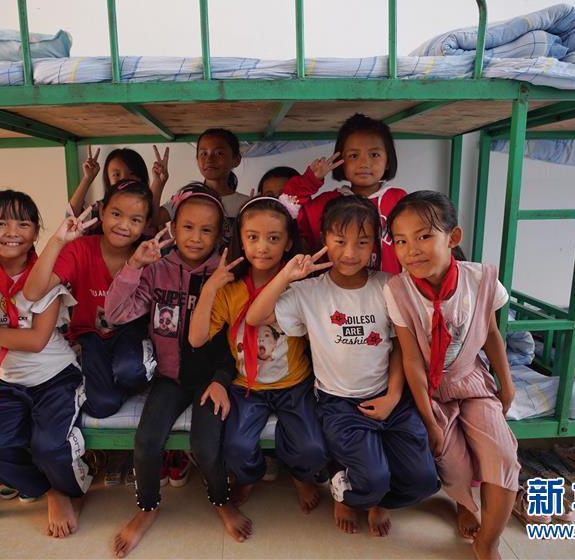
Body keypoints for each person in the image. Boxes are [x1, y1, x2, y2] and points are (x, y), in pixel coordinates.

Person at [246, 195, 439, 537]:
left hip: (389, 397)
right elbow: (255, 317)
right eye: (339, 241)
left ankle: (378, 499)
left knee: (424, 480)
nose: (350, 253)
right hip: (339, 403)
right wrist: (287, 274)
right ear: (324, 240)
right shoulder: (309, 292)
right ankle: (347, 492)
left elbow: (399, 346)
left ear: (375, 244)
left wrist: (393, 396)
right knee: (373, 478)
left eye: (362, 242)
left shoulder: (389, 285)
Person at [105, 183, 251, 558]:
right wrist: (134, 266)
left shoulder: (226, 272)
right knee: (146, 441)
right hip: (169, 378)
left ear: (220, 234)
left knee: (205, 445)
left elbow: (234, 339)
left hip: (211, 379)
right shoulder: (158, 269)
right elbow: (116, 314)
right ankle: (147, 508)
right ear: (172, 228)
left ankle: (221, 500)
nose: (196, 237)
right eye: (187, 227)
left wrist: (221, 380)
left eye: (206, 230)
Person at [384, 190, 519, 560]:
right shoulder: (397, 290)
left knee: (503, 455)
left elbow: (491, 335)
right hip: (429, 388)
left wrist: (506, 384)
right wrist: (429, 419)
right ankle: (465, 502)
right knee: (452, 462)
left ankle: (488, 542)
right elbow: (412, 360)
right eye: (400, 241)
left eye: (424, 236)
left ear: (453, 237)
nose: (411, 250)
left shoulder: (481, 280)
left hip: (471, 381)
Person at [0, 190, 92, 538]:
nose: (11, 232)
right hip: (8, 383)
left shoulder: (45, 275)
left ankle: (69, 489)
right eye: (0, 223)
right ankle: (49, 490)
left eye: (23, 224)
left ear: (35, 232)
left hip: (55, 377)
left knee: (49, 447)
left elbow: (35, 341)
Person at [188, 195, 328, 515]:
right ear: (241, 239)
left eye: (273, 238)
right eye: (252, 237)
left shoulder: (300, 286)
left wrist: (288, 276)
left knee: (313, 449)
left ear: (288, 242)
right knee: (236, 448)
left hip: (294, 385)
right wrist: (209, 289)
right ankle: (250, 476)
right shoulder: (230, 290)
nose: (262, 247)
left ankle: (300, 475)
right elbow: (196, 339)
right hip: (246, 387)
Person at [23, 180, 156, 419]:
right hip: (90, 335)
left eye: (135, 220)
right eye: (116, 214)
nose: (123, 225)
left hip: (130, 333)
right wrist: (57, 241)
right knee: (102, 406)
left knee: (132, 371)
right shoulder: (80, 250)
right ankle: (104, 382)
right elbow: (33, 292)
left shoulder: (147, 257)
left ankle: (119, 377)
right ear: (102, 212)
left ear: (146, 224)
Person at [283, 113, 405, 273]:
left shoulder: (399, 200)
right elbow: (284, 210)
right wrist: (310, 180)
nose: (364, 163)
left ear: (388, 160)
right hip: (333, 288)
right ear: (341, 162)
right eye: (354, 155)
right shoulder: (326, 203)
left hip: (388, 287)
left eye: (374, 155)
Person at [157, 128, 249, 248]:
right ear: (197, 159)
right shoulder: (186, 197)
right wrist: (158, 183)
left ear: (236, 160)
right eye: (203, 153)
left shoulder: (245, 204)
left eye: (219, 153)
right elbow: (153, 219)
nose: (209, 159)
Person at [68, 145, 169, 231]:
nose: (124, 179)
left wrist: (158, 183)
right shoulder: (99, 209)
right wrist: (87, 179)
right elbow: (71, 220)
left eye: (132, 174)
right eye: (116, 174)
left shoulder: (151, 215)